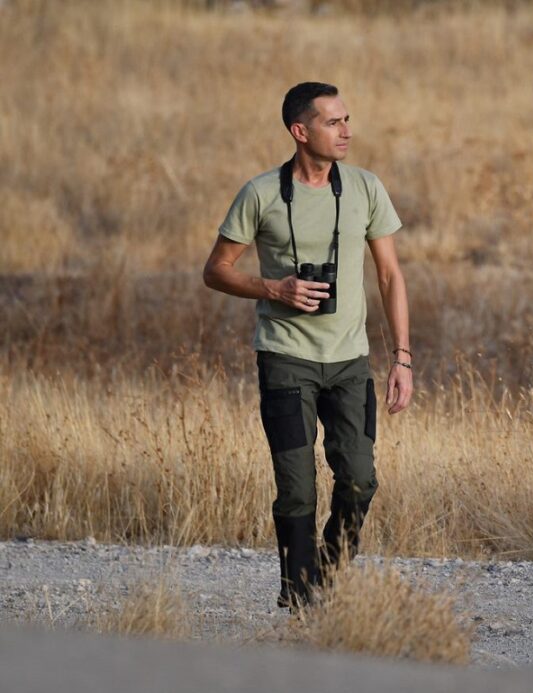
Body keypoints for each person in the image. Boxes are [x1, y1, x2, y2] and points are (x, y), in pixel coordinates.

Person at [203, 82, 412, 608]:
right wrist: (273, 287)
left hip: (349, 364)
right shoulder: (261, 193)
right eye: (333, 122)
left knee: (360, 480)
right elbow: (216, 271)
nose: (346, 130)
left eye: (347, 119)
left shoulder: (365, 187)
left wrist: (402, 358)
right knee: (297, 488)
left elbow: (390, 276)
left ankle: (325, 573)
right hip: (284, 358)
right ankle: (298, 600)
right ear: (301, 131)